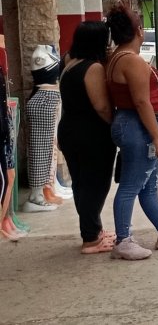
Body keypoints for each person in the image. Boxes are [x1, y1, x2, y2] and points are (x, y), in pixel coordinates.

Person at [105, 2, 158, 260]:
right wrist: (156, 136)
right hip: (139, 127)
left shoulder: (115, 58)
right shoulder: (132, 62)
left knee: (149, 185)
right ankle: (123, 240)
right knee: (132, 186)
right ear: (139, 32)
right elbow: (142, 102)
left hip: (129, 124)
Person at [58, 21, 117, 254]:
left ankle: (93, 230)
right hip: (91, 134)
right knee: (96, 184)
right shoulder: (93, 68)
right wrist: (117, 125)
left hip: (70, 130)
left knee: (81, 184)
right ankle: (91, 239)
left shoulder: (69, 61)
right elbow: (102, 107)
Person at [24, 45, 63, 212]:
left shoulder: (44, 54)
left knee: (45, 149)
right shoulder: (41, 55)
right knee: (41, 150)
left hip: (47, 98)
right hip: (45, 99)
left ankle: (39, 193)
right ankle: (36, 196)